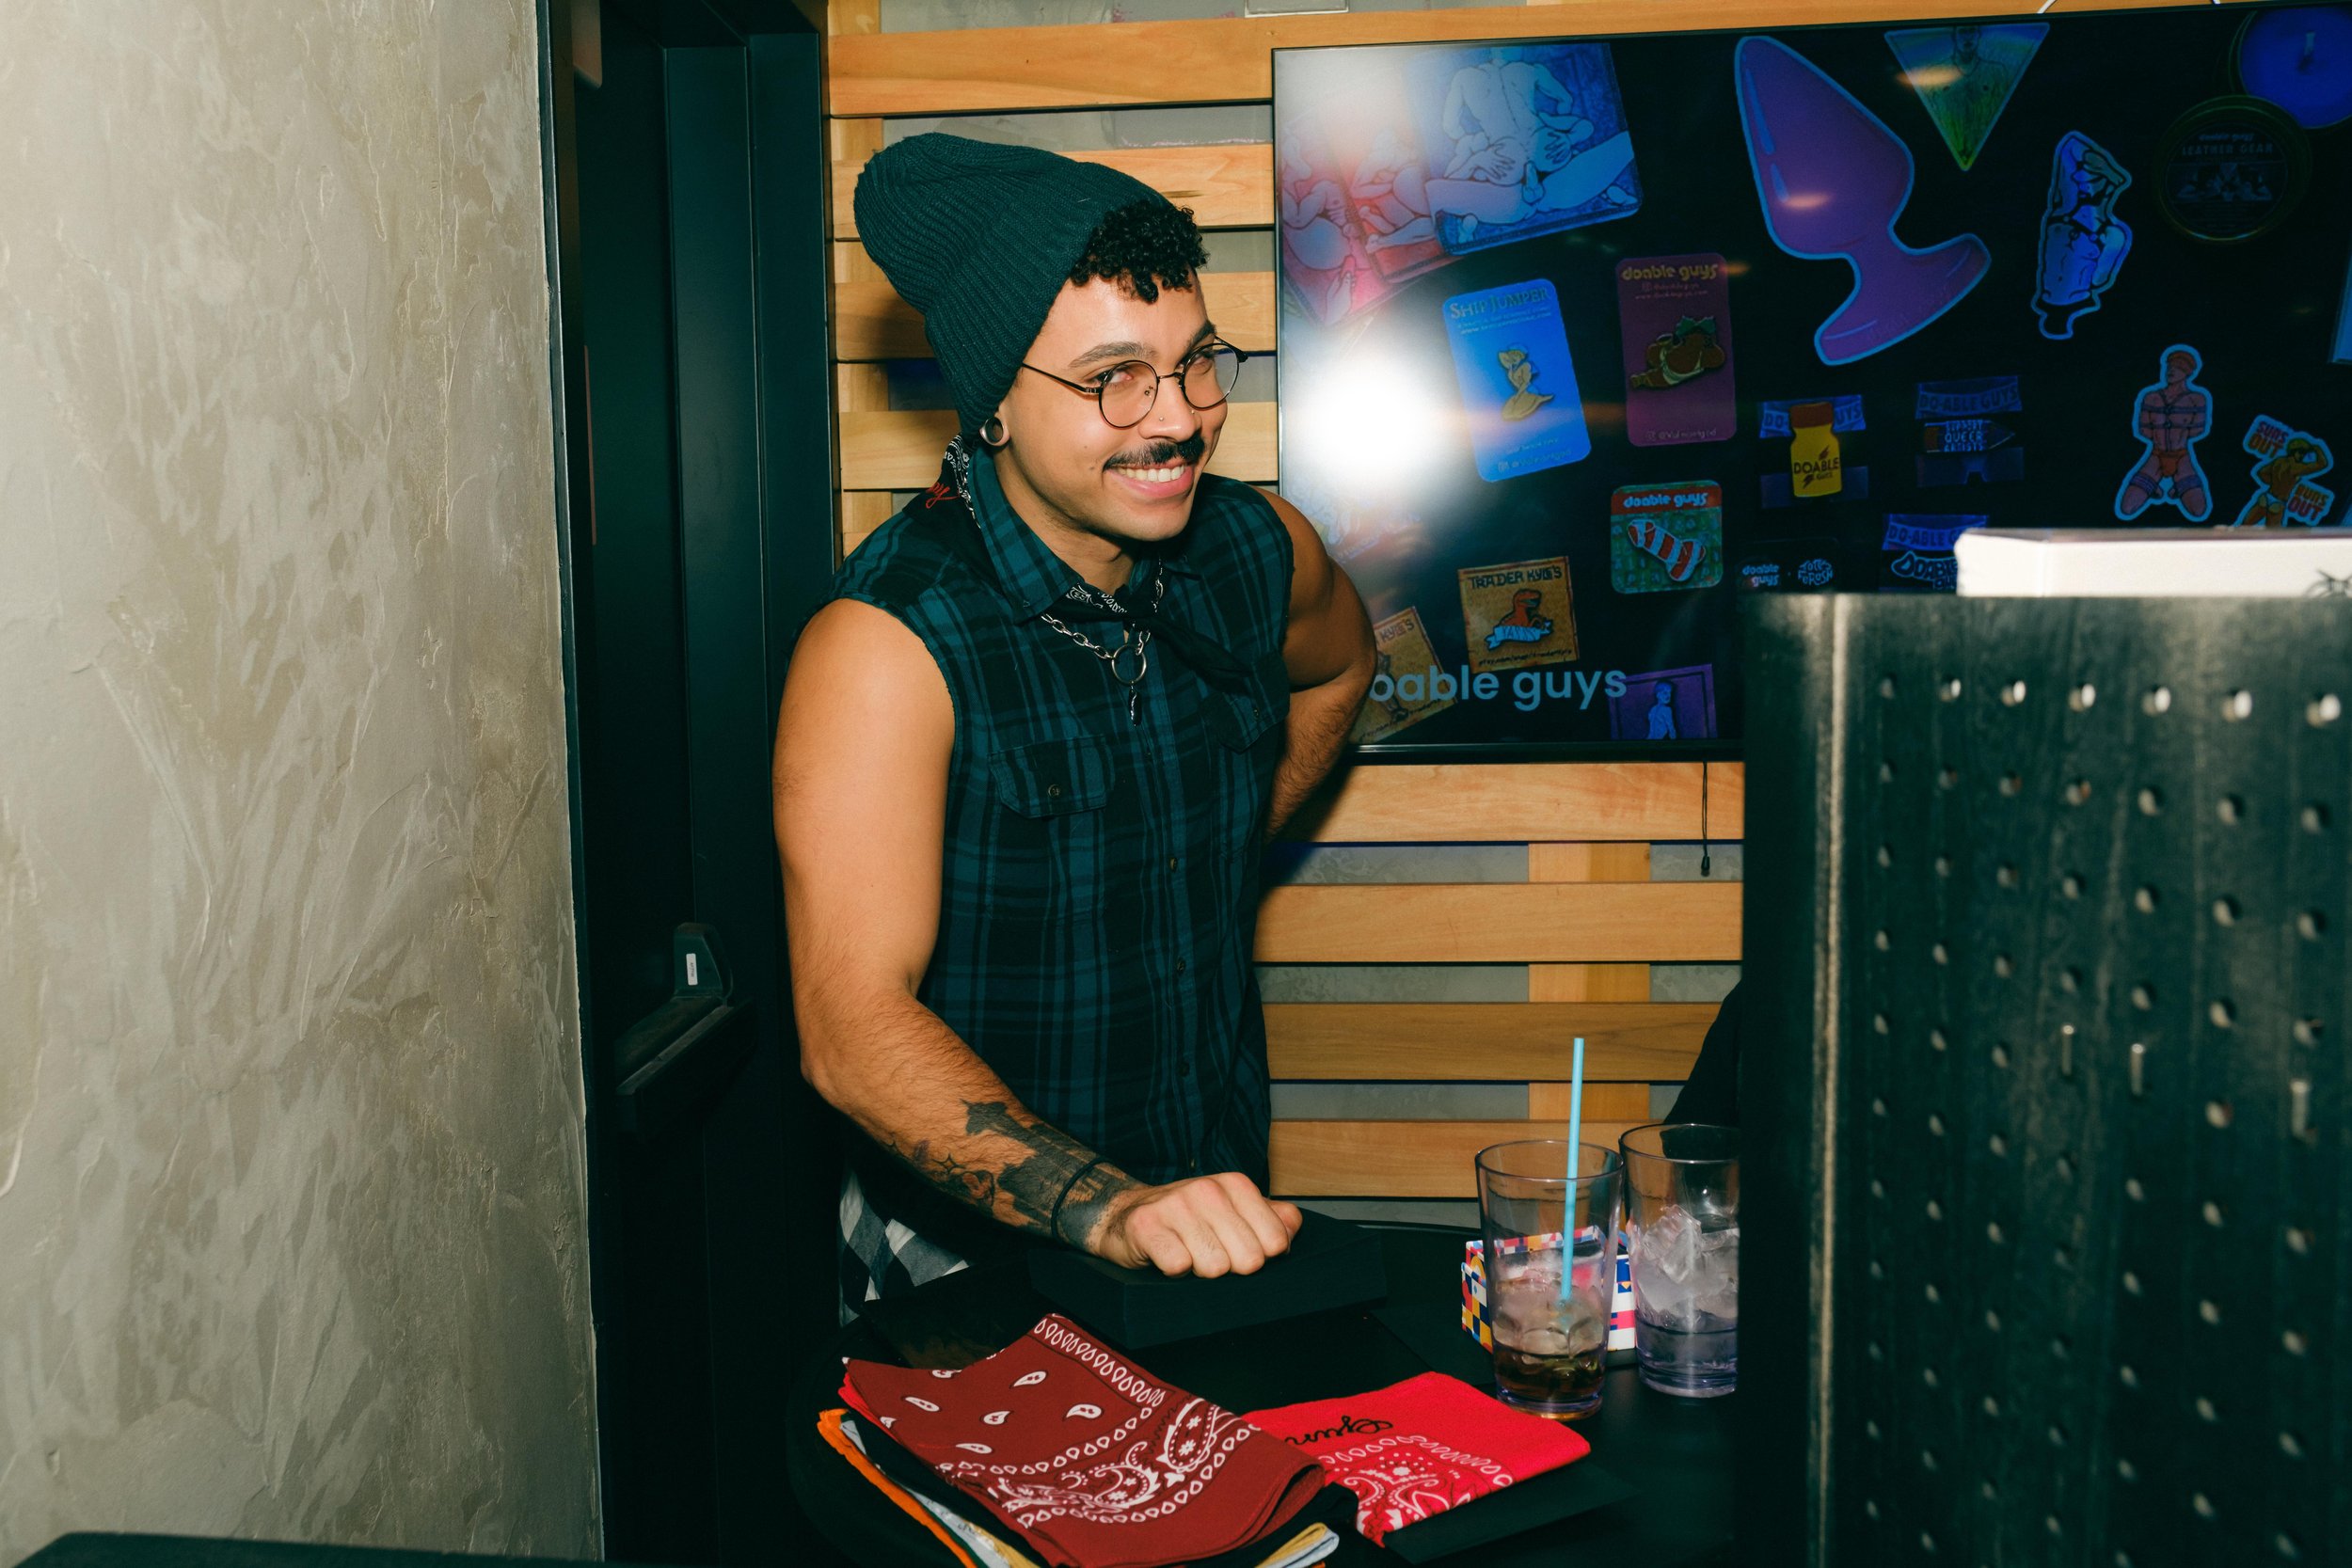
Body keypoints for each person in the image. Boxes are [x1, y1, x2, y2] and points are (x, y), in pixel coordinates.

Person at [773, 135, 1377, 1315]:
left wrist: (1217, 846)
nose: (1178, 418)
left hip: (1213, 1205)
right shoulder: (887, 642)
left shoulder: (1256, 549)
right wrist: (1106, 1205)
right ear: (995, 400)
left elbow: (1342, 666)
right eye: (1115, 379)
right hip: (965, 1260)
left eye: (1195, 362)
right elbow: (849, 1027)